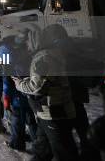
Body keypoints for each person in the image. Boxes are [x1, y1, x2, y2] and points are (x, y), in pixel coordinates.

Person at [13, 24, 78, 161]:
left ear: (34, 40)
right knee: (42, 149)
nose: (26, 45)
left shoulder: (43, 57)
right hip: (47, 113)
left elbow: (38, 87)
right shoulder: (48, 53)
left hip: (54, 113)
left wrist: (19, 84)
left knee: (64, 152)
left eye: (27, 41)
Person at [0, 36, 37, 151]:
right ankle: (36, 142)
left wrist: (6, 98)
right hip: (28, 94)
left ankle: (17, 144)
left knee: (17, 121)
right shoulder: (25, 56)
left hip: (16, 97)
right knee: (31, 119)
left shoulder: (7, 64)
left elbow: (7, 82)